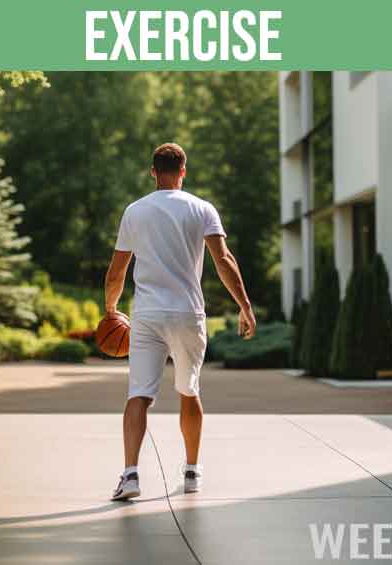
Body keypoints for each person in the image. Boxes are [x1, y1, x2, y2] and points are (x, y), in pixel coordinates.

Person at [104, 142, 256, 501]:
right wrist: (245, 306)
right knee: (189, 390)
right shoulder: (203, 209)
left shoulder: (135, 212)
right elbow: (224, 260)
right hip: (188, 313)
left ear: (153, 171)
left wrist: (111, 310)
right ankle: (191, 472)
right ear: (183, 171)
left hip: (147, 316)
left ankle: (130, 475)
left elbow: (117, 272)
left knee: (138, 394)